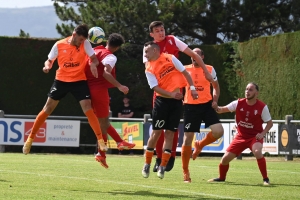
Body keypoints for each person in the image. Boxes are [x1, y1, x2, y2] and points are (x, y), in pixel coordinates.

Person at [22, 24, 107, 154]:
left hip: (79, 80)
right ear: (74, 35)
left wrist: (94, 65)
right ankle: (30, 140)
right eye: (80, 40)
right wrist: (47, 67)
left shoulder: (86, 44)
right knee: (47, 108)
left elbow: (94, 59)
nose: (81, 43)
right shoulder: (59, 45)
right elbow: (49, 60)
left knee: (88, 108)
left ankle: (101, 141)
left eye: (84, 40)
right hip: (61, 81)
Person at [143, 21, 213, 173]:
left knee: (172, 128)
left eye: (162, 29)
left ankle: (171, 157)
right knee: (157, 128)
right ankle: (158, 158)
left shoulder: (173, 40)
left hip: (176, 90)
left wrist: (206, 71)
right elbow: (148, 69)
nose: (161, 32)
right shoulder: (148, 48)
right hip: (161, 92)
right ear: (152, 34)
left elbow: (193, 54)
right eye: (157, 31)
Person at [142, 41, 198, 179]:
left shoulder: (170, 58)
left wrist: (192, 89)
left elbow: (185, 73)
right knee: (156, 133)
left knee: (170, 134)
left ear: (155, 51)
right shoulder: (148, 68)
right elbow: (155, 88)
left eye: (147, 52)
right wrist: (171, 94)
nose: (145, 55)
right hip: (162, 102)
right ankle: (147, 164)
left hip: (176, 102)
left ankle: (163, 166)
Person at [85, 33, 136, 168]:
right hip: (99, 91)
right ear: (118, 47)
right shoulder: (110, 56)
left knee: (102, 123)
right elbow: (105, 73)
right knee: (104, 122)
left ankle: (103, 152)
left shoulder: (93, 51)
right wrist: (120, 86)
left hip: (86, 91)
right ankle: (116, 143)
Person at [208, 82, 273, 186]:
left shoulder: (262, 107)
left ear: (257, 93)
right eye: (246, 89)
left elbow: (270, 123)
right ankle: (221, 178)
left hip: (254, 137)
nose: (247, 91)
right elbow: (221, 110)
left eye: (251, 90)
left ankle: (266, 179)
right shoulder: (238, 103)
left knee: (257, 151)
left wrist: (262, 134)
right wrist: (216, 107)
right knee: (224, 160)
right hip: (241, 137)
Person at [181, 48, 224, 183]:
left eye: (198, 55)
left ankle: (200, 144)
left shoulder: (210, 69)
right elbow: (177, 84)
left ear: (203, 57)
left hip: (206, 105)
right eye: (193, 55)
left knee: (219, 131)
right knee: (187, 139)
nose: (195, 57)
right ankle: (186, 172)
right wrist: (179, 97)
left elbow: (216, 86)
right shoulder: (184, 69)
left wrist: (215, 101)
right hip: (190, 107)